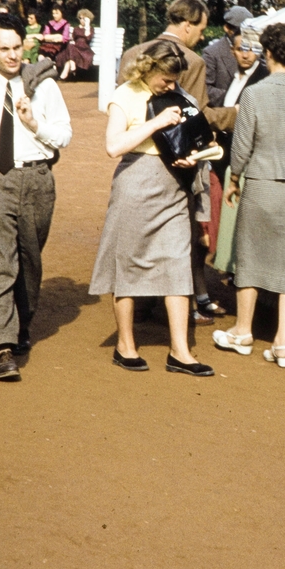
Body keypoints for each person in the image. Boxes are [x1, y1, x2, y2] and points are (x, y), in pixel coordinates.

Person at [91, 38, 214, 376]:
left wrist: (191, 156)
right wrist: (156, 123)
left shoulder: (174, 94)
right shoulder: (125, 96)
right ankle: (125, 346)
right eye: (166, 79)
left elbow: (189, 135)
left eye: (175, 81)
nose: (171, 86)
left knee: (177, 264)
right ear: (148, 69)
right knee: (129, 263)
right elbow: (113, 146)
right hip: (136, 185)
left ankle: (180, 352)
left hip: (174, 186)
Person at [0, 15, 73, 380]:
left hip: (38, 179)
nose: (12, 56)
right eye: (3, 49)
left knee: (29, 259)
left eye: (16, 47)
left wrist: (33, 123)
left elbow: (64, 135)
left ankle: (21, 324)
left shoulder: (45, 87)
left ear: (25, 44)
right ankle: (2, 345)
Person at [213, 23, 285, 368]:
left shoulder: (254, 93)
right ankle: (282, 344)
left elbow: (242, 148)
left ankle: (243, 331)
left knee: (249, 256)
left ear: (269, 53)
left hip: (260, 183)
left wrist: (234, 179)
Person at [119, 0, 235, 324]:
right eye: (199, 29)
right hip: (177, 162)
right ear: (187, 25)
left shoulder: (132, 53)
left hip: (136, 158)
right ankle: (187, 302)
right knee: (183, 234)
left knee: (141, 235)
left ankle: (142, 303)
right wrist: (235, 115)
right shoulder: (191, 61)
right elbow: (197, 115)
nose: (200, 35)